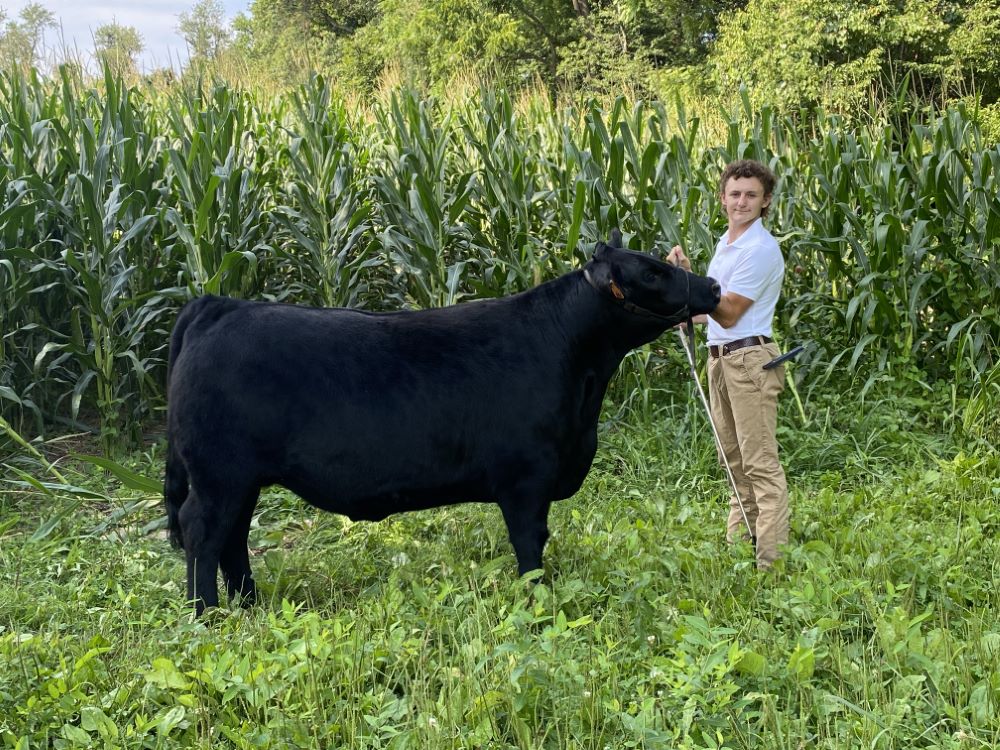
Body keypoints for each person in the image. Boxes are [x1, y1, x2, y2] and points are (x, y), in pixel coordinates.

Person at [667, 159, 789, 569]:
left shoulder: (760, 249)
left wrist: (690, 288)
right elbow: (711, 310)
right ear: (722, 198)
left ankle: (771, 564)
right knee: (733, 460)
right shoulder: (727, 244)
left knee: (759, 464)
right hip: (720, 359)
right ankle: (741, 549)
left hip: (749, 360)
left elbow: (731, 312)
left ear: (765, 201)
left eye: (751, 195)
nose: (741, 202)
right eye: (734, 194)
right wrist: (686, 288)